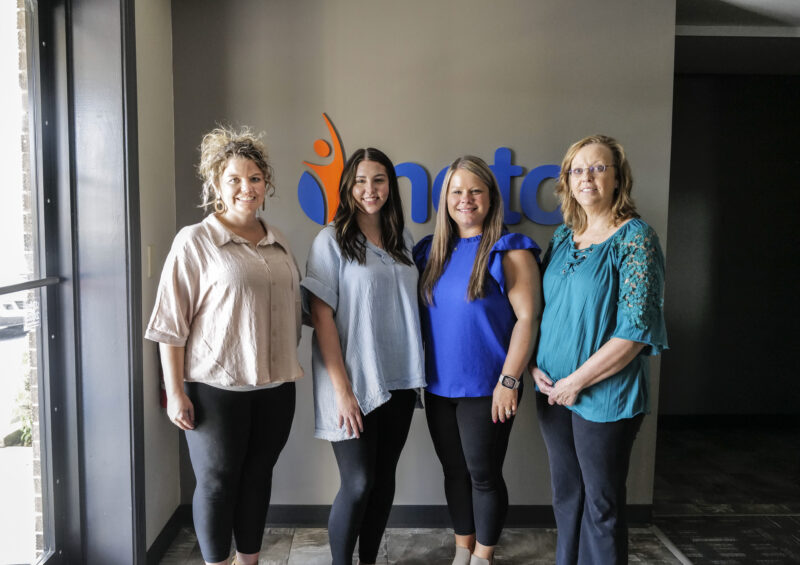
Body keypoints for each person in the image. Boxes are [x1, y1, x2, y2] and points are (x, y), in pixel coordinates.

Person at [145, 126, 303, 565]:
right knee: (217, 483)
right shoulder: (194, 241)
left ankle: (248, 561)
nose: (245, 188)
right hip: (216, 389)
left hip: (275, 386)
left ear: (266, 184)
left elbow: (292, 307)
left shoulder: (280, 239)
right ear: (216, 184)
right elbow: (169, 325)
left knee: (257, 478)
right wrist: (175, 391)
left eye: (254, 178)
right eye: (233, 179)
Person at [531, 134, 668, 565]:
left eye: (598, 167)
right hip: (552, 392)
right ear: (566, 181)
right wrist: (535, 364)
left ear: (617, 178)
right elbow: (542, 309)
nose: (586, 176)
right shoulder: (561, 237)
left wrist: (577, 382)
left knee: (602, 506)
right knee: (566, 498)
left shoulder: (636, 238)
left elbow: (635, 332)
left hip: (603, 395)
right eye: (577, 169)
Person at [414, 155, 541, 565]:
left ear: (490, 197)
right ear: (444, 200)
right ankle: (462, 550)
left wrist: (509, 381)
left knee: (483, 475)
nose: (465, 199)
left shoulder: (509, 248)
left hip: (488, 388)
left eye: (475, 191)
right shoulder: (429, 253)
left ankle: (483, 557)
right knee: (454, 473)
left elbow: (528, 318)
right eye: (456, 191)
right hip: (437, 386)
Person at [301, 147, 425, 565]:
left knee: (383, 481)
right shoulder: (330, 240)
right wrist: (343, 391)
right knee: (358, 483)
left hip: (401, 378)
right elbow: (322, 318)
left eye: (378, 180)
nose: (369, 189)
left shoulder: (402, 239)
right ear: (347, 187)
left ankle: (369, 561)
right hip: (352, 381)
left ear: (390, 185)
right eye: (360, 181)